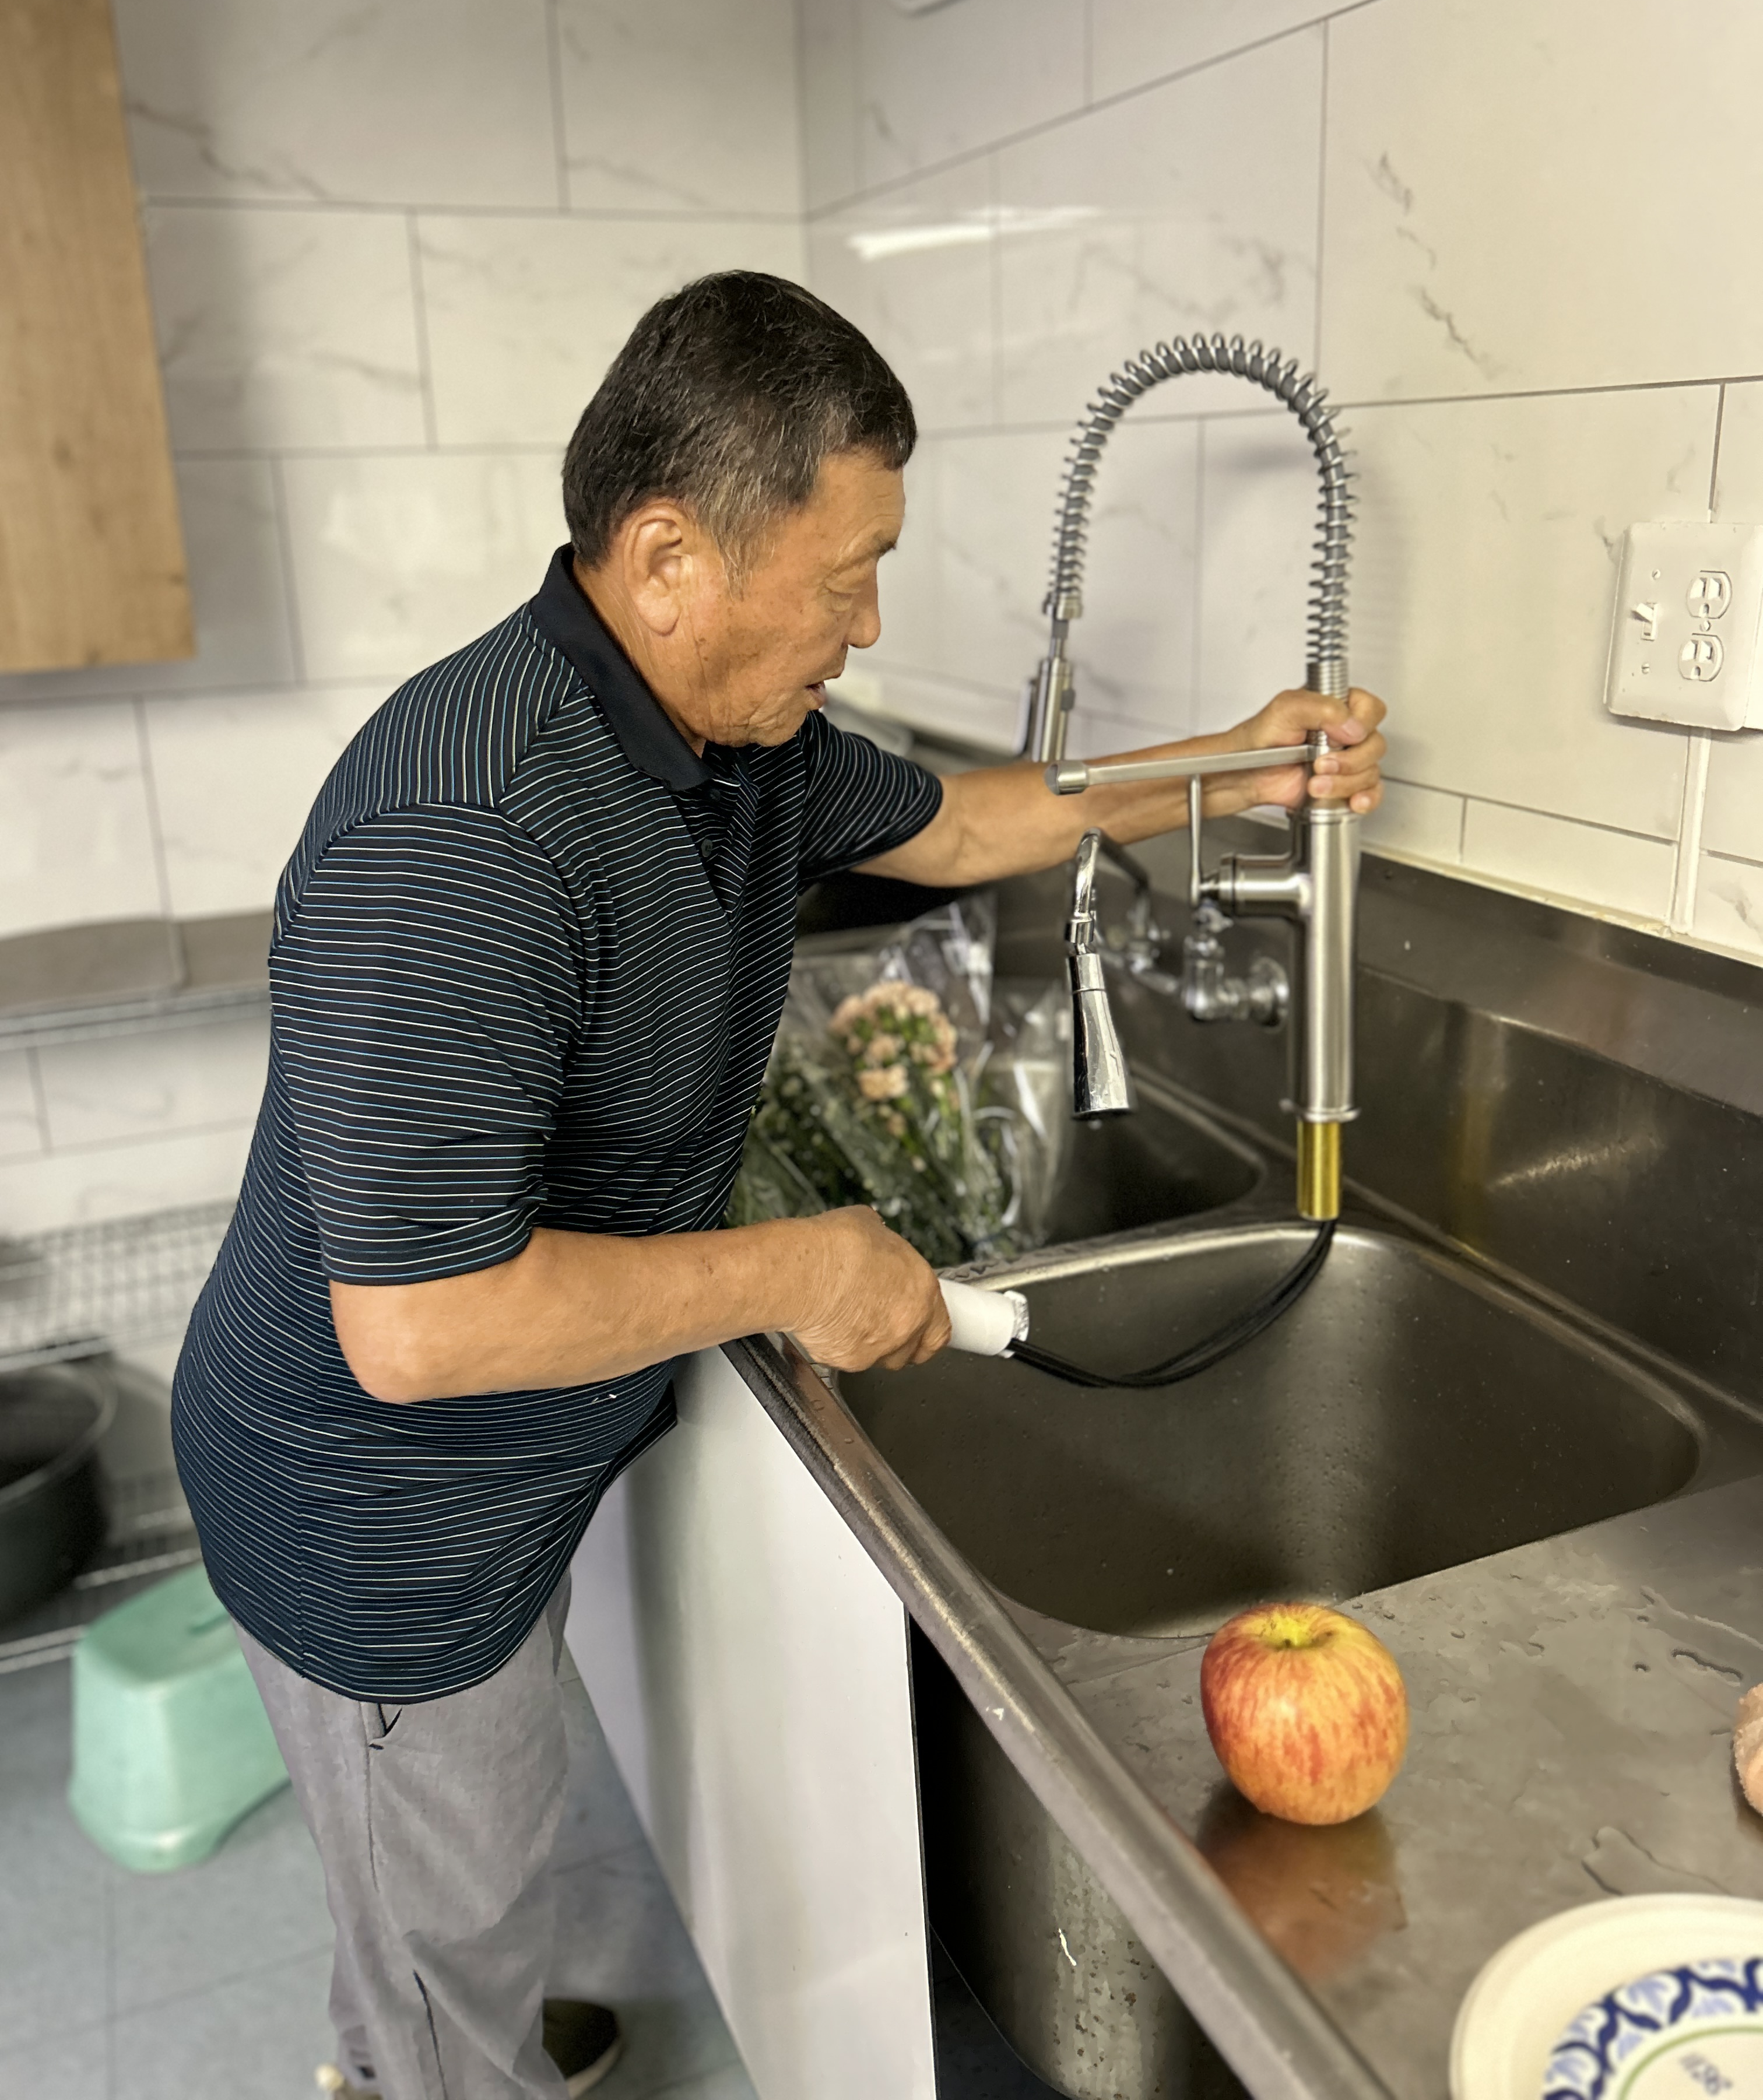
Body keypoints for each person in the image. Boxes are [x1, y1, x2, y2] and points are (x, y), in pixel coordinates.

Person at [171, 272, 1385, 2100]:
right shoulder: (464, 832)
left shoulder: (736, 743)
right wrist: (803, 1267)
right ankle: (427, 2051)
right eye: (848, 575)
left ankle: (452, 2002)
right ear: (670, 558)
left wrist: (1242, 763)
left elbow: (965, 828)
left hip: (496, 1475)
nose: (868, 621)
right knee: (438, 1944)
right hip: (378, 1523)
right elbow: (418, 1329)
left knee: (464, 1885)